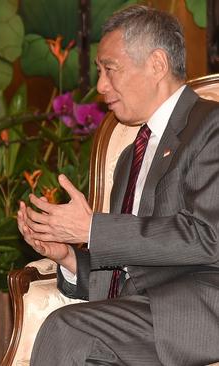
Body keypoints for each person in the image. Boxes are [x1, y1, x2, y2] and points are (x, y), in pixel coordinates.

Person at [17, 5, 219, 365]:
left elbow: (208, 237)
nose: (99, 86)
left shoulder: (210, 127)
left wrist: (93, 228)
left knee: (68, 330)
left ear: (157, 64)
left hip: (198, 312)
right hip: (143, 316)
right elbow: (125, 272)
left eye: (110, 69)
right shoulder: (131, 156)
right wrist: (66, 257)